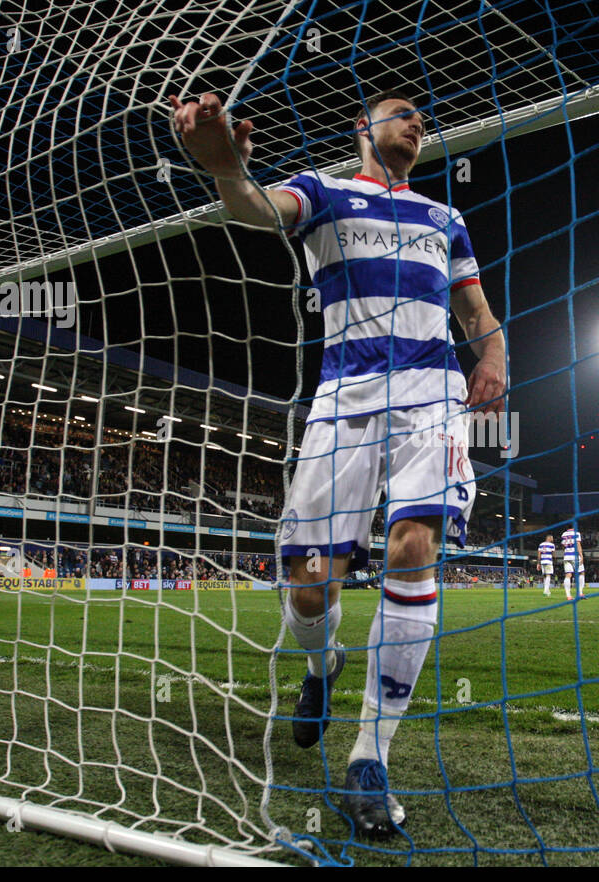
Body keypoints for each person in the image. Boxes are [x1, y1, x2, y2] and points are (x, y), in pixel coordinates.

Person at [169, 88, 506, 839]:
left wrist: (493, 352)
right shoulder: (325, 193)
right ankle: (322, 671)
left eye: (424, 116)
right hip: (345, 397)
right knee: (311, 583)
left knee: (413, 545)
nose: (418, 123)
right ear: (363, 129)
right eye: (402, 113)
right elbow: (257, 208)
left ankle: (369, 758)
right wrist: (225, 166)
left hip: (431, 395)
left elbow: (474, 310)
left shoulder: (445, 218)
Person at [561, 525, 584, 599]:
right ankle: (580, 593)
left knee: (568, 575)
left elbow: (563, 546)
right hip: (575, 556)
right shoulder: (576, 533)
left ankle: (568, 596)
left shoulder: (564, 534)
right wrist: (581, 555)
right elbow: (578, 544)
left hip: (566, 556)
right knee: (581, 572)